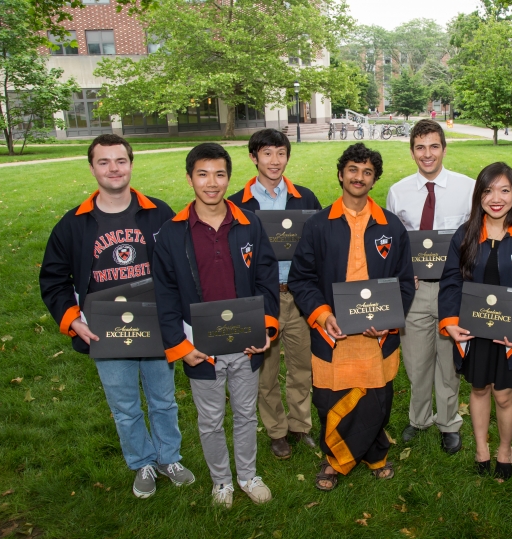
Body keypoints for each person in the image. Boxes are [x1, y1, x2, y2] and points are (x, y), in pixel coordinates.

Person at [39, 134, 195, 499]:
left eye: (120, 161)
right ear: (92, 167)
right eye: (104, 162)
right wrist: (72, 318)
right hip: (106, 329)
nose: (114, 169)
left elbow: (182, 265)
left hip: (156, 324)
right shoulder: (74, 224)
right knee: (124, 405)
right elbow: (53, 278)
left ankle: (168, 457)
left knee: (164, 399)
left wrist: (182, 316)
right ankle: (141, 461)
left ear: (131, 163)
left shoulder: (158, 212)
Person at [152, 143, 280, 508]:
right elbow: (165, 295)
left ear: (229, 177)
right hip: (200, 348)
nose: (212, 183)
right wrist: (180, 346)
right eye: (203, 174)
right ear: (190, 177)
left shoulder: (248, 223)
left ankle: (247, 475)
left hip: (246, 343)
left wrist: (267, 327)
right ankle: (221, 481)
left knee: (244, 413)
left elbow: (266, 277)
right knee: (210, 420)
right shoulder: (172, 233)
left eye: (220, 174)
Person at [288, 143, 415, 491]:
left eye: (368, 172)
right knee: (330, 397)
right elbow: (300, 279)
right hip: (334, 332)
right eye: (354, 170)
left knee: (377, 395)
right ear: (342, 174)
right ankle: (335, 460)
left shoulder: (391, 226)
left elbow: (405, 281)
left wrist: (391, 319)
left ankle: (375, 454)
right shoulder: (318, 225)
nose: (359, 177)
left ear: (374, 180)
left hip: (377, 333)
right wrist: (322, 313)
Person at [438, 162, 512, 480]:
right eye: (488, 191)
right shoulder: (466, 234)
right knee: (478, 389)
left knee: (503, 393)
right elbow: (451, 282)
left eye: (504, 190)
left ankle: (505, 448)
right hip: (474, 330)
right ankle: (481, 448)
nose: (496, 198)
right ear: (479, 196)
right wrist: (450, 321)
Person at [229, 128, 322, 460]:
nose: (275, 160)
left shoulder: (305, 199)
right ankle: (276, 431)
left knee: (301, 368)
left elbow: (319, 247)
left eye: (281, 153)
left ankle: (300, 426)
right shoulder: (238, 204)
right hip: (261, 298)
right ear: (254, 158)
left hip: (299, 297)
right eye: (267, 153)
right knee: (264, 371)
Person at [386, 119, 475, 452]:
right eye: (420, 147)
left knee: (448, 361)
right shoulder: (398, 192)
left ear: (444, 149)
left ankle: (449, 421)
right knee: (416, 360)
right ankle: (419, 418)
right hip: (415, 289)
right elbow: (392, 244)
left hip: (453, 289)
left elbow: (476, 240)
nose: (427, 154)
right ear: (412, 152)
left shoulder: (468, 189)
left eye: (433, 146)